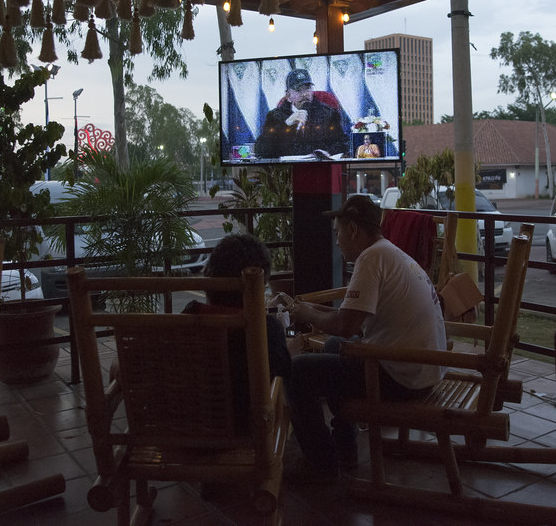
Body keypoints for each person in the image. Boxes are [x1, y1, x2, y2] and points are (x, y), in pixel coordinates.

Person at [286, 195, 446, 480]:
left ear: (353, 231)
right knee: (336, 347)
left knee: (296, 372)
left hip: (401, 378)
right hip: (424, 371)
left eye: (338, 233)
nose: (337, 242)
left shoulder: (370, 258)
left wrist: (305, 315)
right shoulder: (389, 252)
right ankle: (344, 448)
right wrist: (308, 308)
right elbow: (351, 319)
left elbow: (347, 324)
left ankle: (320, 462)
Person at [181, 232, 292, 420]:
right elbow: (282, 374)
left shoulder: (188, 318)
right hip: (243, 431)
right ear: (260, 284)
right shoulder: (265, 330)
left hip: (184, 426)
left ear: (210, 275)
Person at [254, 68, 349, 158]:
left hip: (318, 167)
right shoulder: (275, 116)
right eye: (298, 90)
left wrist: (328, 152)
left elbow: (343, 143)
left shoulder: (328, 113)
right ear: (288, 96)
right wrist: (286, 124)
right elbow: (261, 150)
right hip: (287, 170)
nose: (304, 94)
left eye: (307, 88)